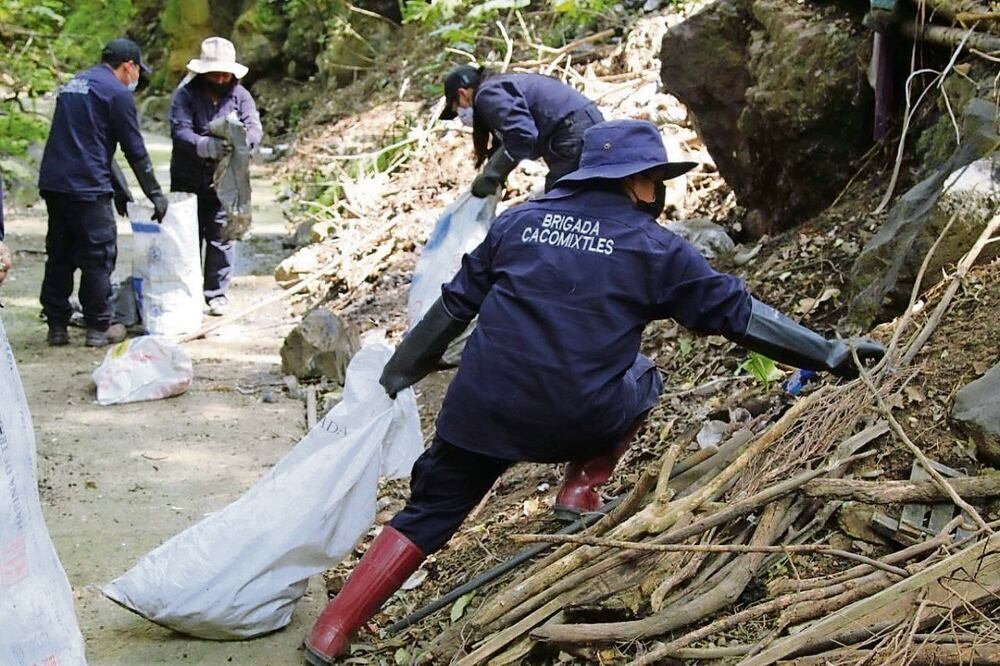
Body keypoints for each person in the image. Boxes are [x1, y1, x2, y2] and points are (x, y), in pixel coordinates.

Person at [302, 119, 886, 663]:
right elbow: (739, 315)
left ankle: (333, 629)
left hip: (479, 414)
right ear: (635, 182)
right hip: (575, 419)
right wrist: (829, 354)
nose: (659, 193)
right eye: (656, 180)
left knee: (428, 513)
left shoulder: (518, 223)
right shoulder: (657, 250)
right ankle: (581, 487)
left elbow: (453, 307)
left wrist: (397, 375)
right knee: (645, 374)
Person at [38, 38, 168, 347]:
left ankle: (57, 326)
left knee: (60, 253)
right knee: (98, 256)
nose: (136, 79)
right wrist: (155, 194)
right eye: (137, 71)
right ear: (128, 66)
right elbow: (134, 150)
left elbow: (90, 142)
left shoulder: (74, 85)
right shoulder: (117, 94)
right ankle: (98, 327)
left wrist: (121, 190)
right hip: (87, 186)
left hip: (55, 183)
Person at [169, 37, 262, 317]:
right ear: (203, 73)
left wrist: (244, 143)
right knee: (186, 237)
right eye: (215, 74)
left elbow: (254, 127)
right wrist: (203, 145)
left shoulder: (241, 96)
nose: (221, 79)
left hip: (226, 180)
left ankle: (216, 294)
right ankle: (185, 292)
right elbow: (180, 131)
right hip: (187, 178)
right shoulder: (185, 95)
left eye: (225, 74)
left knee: (221, 237)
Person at [441, 65, 605, 197]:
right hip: (582, 126)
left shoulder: (488, 94)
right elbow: (510, 138)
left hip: (572, 131)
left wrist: (491, 175)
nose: (461, 115)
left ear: (462, 94)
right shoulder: (499, 86)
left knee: (560, 205)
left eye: (457, 109)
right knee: (582, 195)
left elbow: (522, 136)